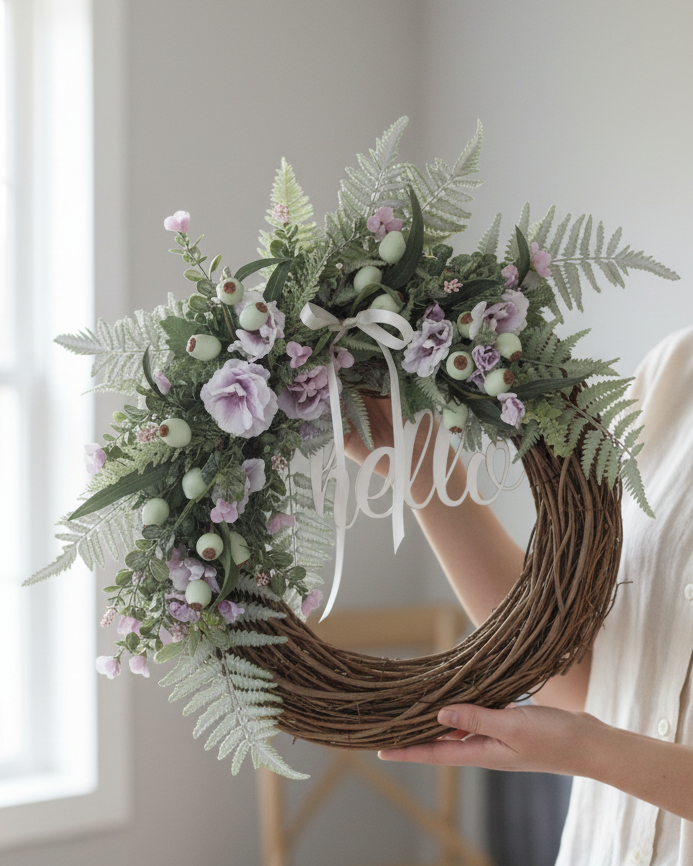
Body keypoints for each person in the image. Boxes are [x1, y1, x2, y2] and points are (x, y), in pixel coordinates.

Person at [344, 326, 693, 864]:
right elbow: (592, 685)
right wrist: (423, 471)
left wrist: (586, 751)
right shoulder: (674, 374)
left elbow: (592, 732)